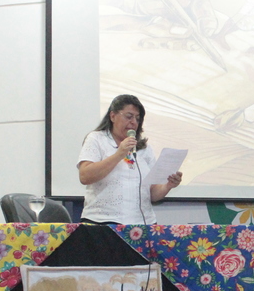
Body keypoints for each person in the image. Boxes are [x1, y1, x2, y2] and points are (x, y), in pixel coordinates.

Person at [77, 94, 182, 224]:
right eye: (129, 116)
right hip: (103, 222)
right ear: (113, 116)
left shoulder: (144, 148)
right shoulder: (96, 139)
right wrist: (119, 154)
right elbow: (85, 176)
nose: (133, 122)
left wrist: (168, 185)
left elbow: (153, 194)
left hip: (143, 223)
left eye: (138, 119)